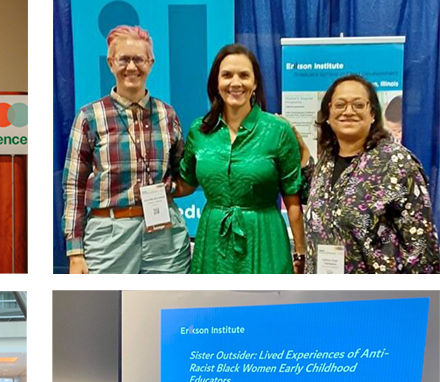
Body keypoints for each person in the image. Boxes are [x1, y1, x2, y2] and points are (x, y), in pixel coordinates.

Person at [61, 25, 191, 274]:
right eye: (124, 59)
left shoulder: (167, 114)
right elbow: (73, 186)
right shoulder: (90, 116)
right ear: (111, 63)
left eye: (139, 59)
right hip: (109, 236)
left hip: (165, 234)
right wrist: (75, 251)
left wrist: (170, 188)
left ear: (151, 63)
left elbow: (181, 171)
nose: (132, 67)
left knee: (168, 303)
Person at [177, 43, 306, 273]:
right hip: (213, 238)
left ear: (255, 83)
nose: (235, 83)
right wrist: (142, 190)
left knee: (267, 306)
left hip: (265, 238)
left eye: (244, 75)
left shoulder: (277, 130)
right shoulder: (199, 130)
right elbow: (184, 184)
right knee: (212, 307)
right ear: (216, 83)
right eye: (226, 75)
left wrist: (301, 253)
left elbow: (292, 200)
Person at [290, 74, 440, 273]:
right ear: (328, 113)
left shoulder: (397, 163)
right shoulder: (326, 162)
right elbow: (326, 204)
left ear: (373, 114)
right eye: (340, 104)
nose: (349, 111)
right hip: (324, 296)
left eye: (359, 105)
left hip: (376, 298)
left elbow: (422, 248)